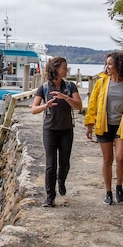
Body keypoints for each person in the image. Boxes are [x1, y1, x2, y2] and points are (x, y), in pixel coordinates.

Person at [84, 52, 123, 205]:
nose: (107, 67)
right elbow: (93, 104)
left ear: (119, 65)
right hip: (104, 125)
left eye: (110, 64)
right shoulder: (102, 82)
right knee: (107, 159)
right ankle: (108, 191)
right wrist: (89, 124)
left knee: (121, 158)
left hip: (122, 126)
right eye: (106, 63)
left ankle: (119, 185)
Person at [31, 57, 83, 207]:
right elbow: (33, 109)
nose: (66, 70)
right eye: (63, 68)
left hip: (66, 129)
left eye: (66, 67)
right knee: (50, 164)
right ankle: (50, 197)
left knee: (64, 163)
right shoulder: (45, 88)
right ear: (55, 69)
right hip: (50, 130)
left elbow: (79, 106)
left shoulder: (70, 86)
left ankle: (61, 180)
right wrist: (45, 106)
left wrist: (65, 97)